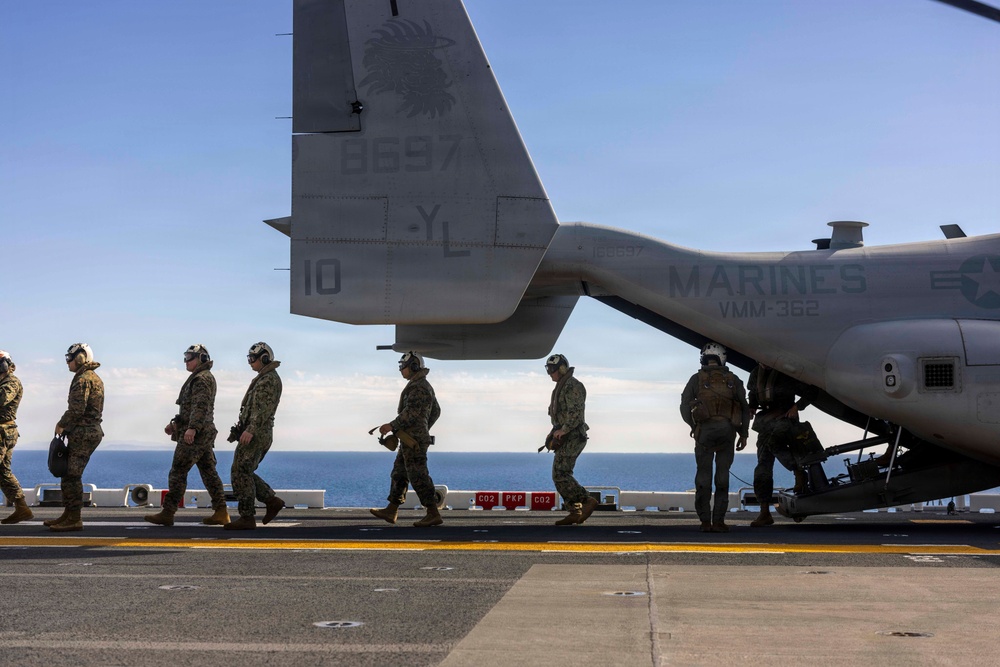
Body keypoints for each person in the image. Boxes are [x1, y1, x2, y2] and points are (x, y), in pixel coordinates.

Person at [144, 345, 229, 527]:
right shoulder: (199, 378)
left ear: (202, 359)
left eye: (190, 357)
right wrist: (176, 425)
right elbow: (191, 408)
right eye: (186, 356)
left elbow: (201, 406)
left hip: (196, 435)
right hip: (202, 433)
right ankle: (221, 511)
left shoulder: (201, 379)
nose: (186, 360)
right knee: (208, 472)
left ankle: (168, 512)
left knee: (178, 471)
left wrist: (192, 429)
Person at [680, 342, 749, 533]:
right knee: (722, 477)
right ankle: (718, 521)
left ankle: (704, 521)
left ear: (703, 358)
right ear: (722, 357)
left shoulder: (696, 379)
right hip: (728, 434)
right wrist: (744, 434)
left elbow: (684, 406)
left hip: (704, 435)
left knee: (703, 477)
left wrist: (694, 426)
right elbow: (744, 408)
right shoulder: (734, 380)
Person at [371, 352, 443, 527]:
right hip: (410, 438)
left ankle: (432, 512)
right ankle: (392, 509)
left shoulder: (419, 387)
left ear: (414, 366)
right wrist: (423, 428)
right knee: (400, 473)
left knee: (418, 474)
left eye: (404, 366)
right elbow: (436, 411)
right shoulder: (418, 385)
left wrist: (392, 425)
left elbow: (411, 412)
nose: (401, 370)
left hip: (413, 440)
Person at [747, 362, 822, 527]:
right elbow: (753, 393)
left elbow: (812, 391)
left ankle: (799, 473)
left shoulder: (786, 372)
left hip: (786, 419)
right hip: (765, 423)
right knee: (762, 467)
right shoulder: (755, 374)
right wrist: (752, 407)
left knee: (774, 445)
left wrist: (797, 407)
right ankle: (764, 512)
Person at [225, 342, 286, 530]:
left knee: (240, 471)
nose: (250, 363)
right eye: (249, 359)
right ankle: (270, 500)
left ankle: (248, 516)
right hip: (258, 431)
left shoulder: (268, 380)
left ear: (265, 358)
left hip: (257, 432)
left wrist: (250, 429)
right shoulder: (265, 377)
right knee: (243, 470)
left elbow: (262, 409)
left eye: (253, 359)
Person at [48, 343, 105, 532]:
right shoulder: (90, 377)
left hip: (84, 432)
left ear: (80, 358)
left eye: (69, 359)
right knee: (68, 474)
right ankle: (68, 514)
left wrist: (61, 424)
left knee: (72, 475)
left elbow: (77, 409)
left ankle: (74, 518)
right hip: (85, 431)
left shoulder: (83, 379)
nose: (67, 363)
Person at [544, 353, 598, 526]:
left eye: (552, 370)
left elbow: (575, 413)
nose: (550, 374)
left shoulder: (573, 386)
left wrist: (564, 430)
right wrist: (555, 432)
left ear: (561, 369)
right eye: (548, 370)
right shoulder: (562, 386)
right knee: (559, 473)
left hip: (573, 435)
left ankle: (586, 500)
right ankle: (575, 511)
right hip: (566, 436)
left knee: (560, 473)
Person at [0, 350, 32, 525]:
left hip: (3, 432)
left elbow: (2, 398)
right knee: (3, 472)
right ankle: (22, 508)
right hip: (5, 432)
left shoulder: (11, 382)